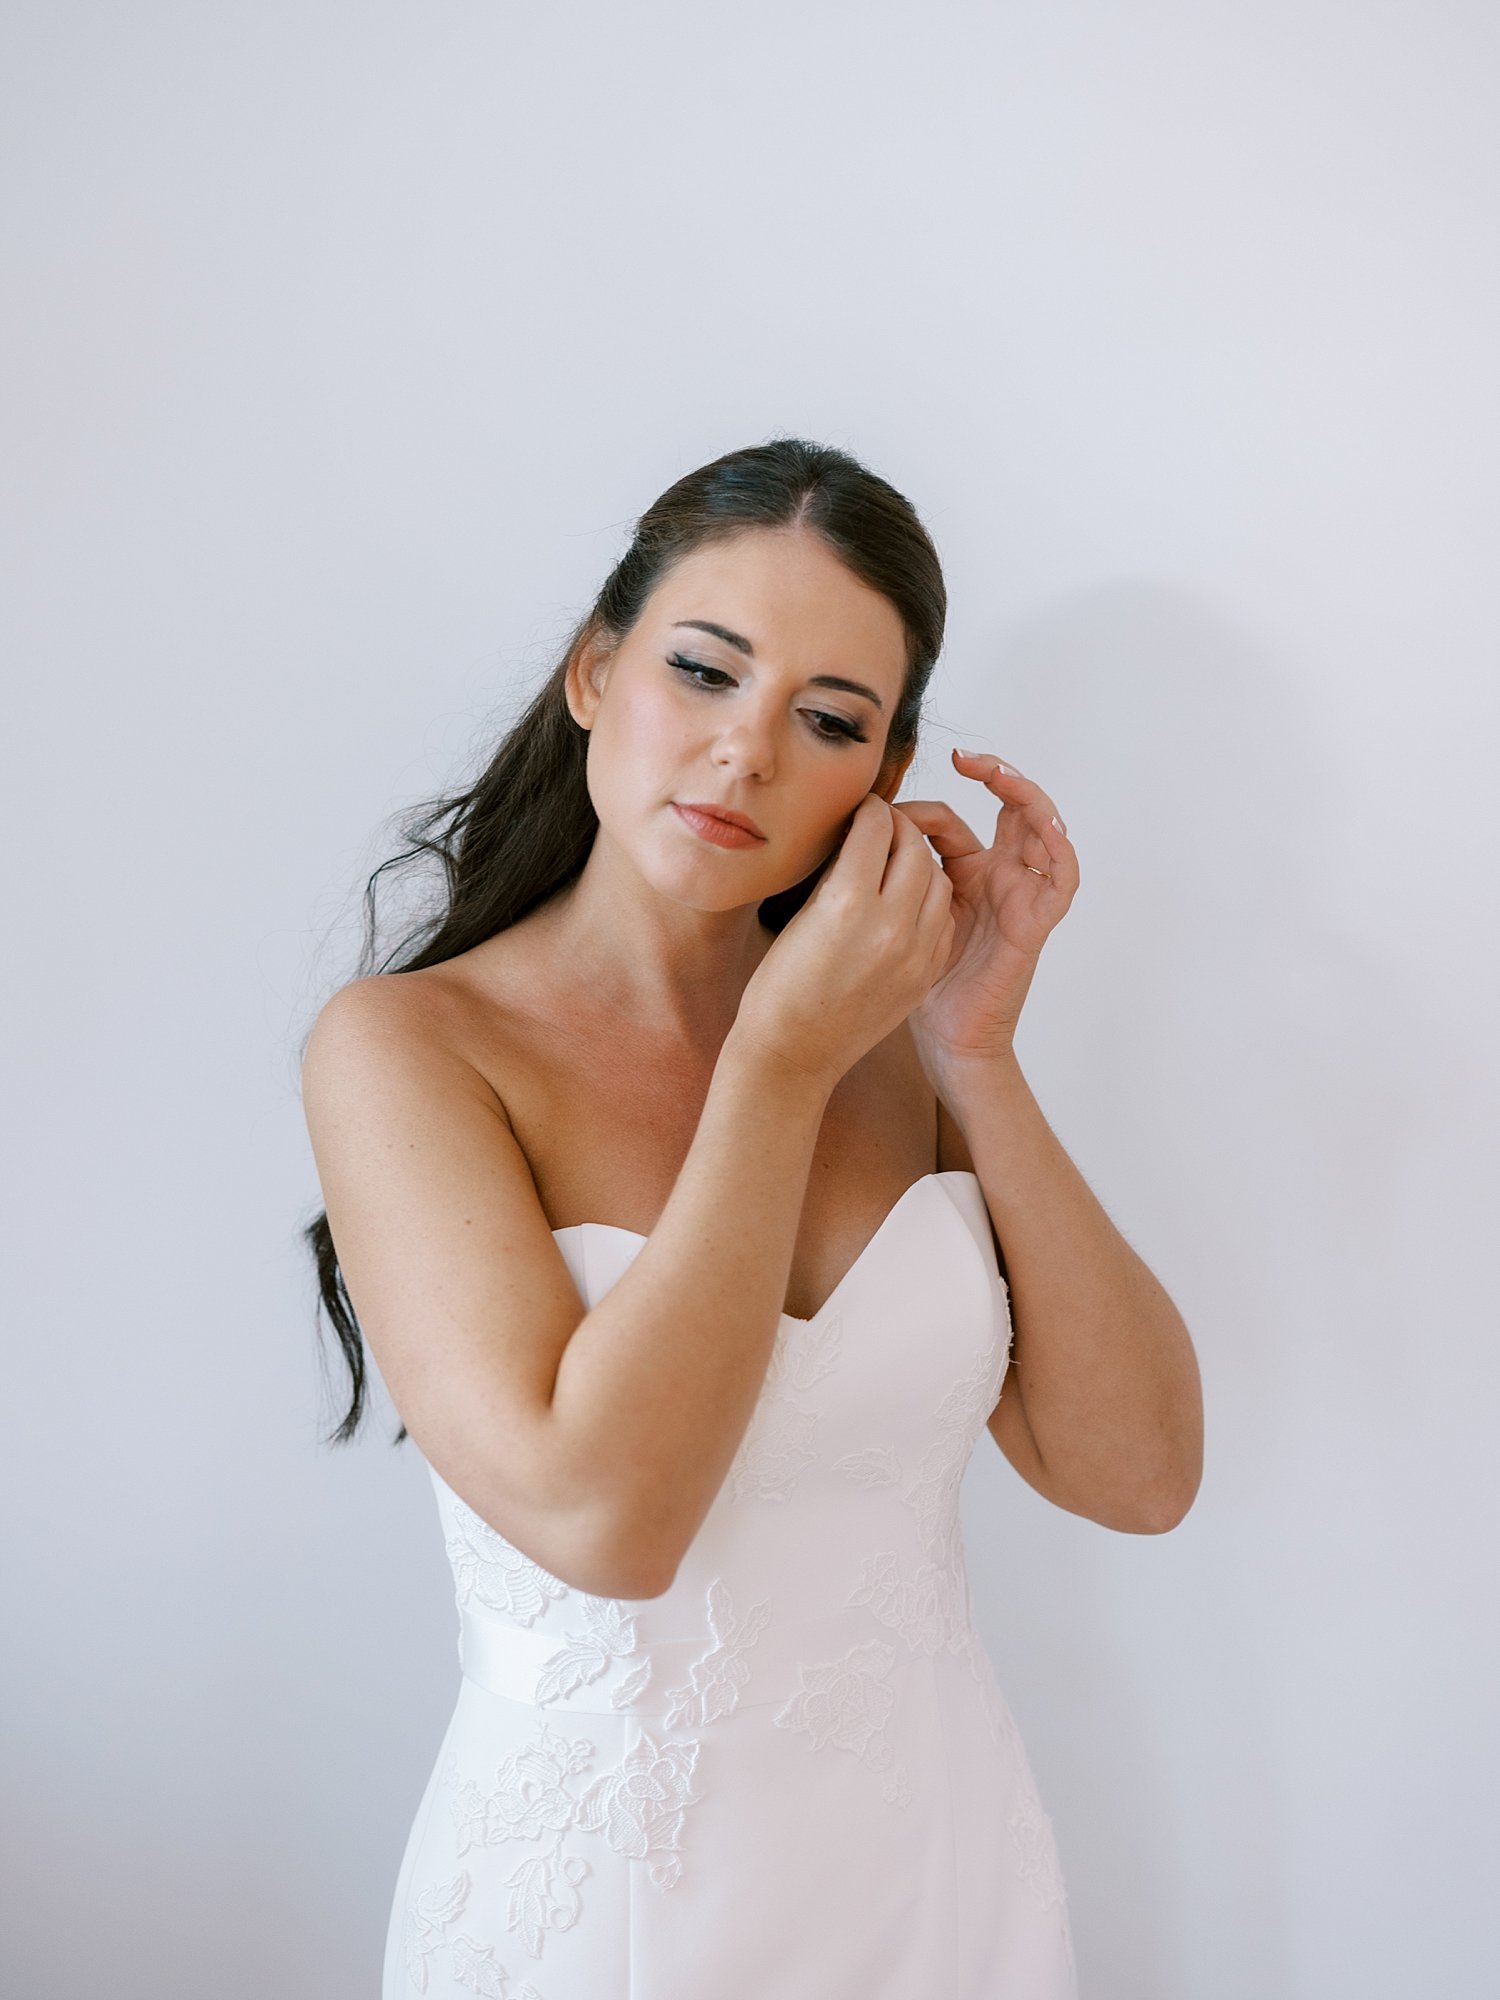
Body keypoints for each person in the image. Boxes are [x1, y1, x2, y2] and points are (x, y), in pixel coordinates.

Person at [299, 437, 1202, 1998]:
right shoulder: (409, 1052)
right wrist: (779, 1065)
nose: (742, 754)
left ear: (886, 776)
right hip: (611, 1922)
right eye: (703, 672)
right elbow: (608, 1525)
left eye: (829, 719)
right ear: (595, 670)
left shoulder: (897, 1047)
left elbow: (1140, 1476)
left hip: (941, 1887)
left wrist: (972, 1055)